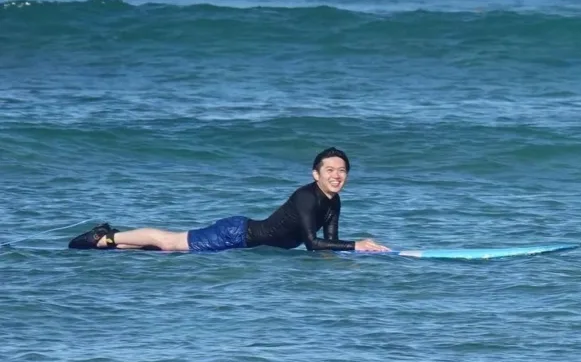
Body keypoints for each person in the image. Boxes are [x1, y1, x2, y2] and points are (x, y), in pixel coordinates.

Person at [67, 148, 389, 254]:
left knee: (165, 255)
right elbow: (311, 244)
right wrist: (356, 246)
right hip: (235, 235)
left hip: (243, 243)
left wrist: (356, 259)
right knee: (169, 242)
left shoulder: (333, 202)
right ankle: (106, 236)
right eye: (329, 170)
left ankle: (109, 247)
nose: (337, 175)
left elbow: (328, 245)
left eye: (342, 170)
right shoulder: (307, 196)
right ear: (315, 173)